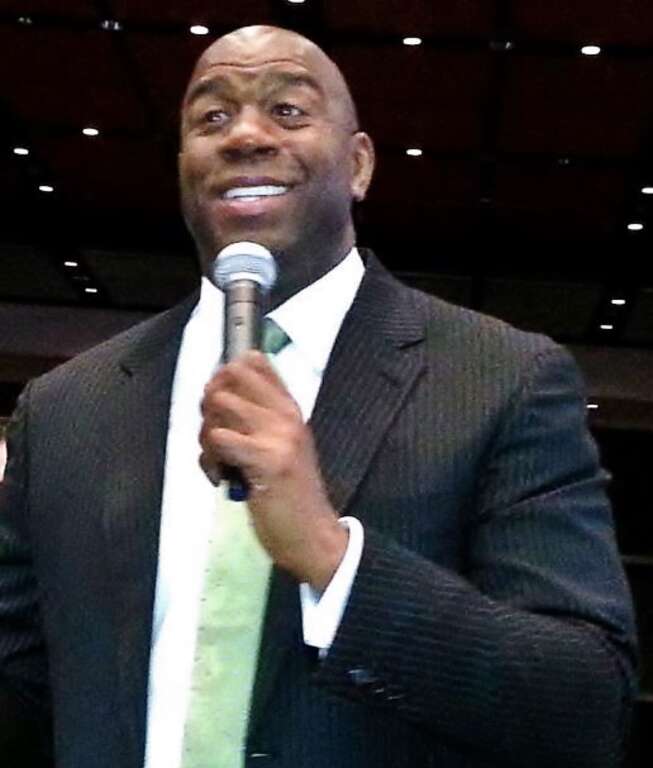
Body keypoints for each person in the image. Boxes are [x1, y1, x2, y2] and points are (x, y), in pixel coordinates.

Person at [0, 24, 638, 768]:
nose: (244, 135)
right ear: (183, 167)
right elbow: (23, 687)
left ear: (359, 164)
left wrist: (331, 557)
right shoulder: (66, 408)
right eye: (211, 117)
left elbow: (584, 704)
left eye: (289, 112)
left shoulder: (502, 379)